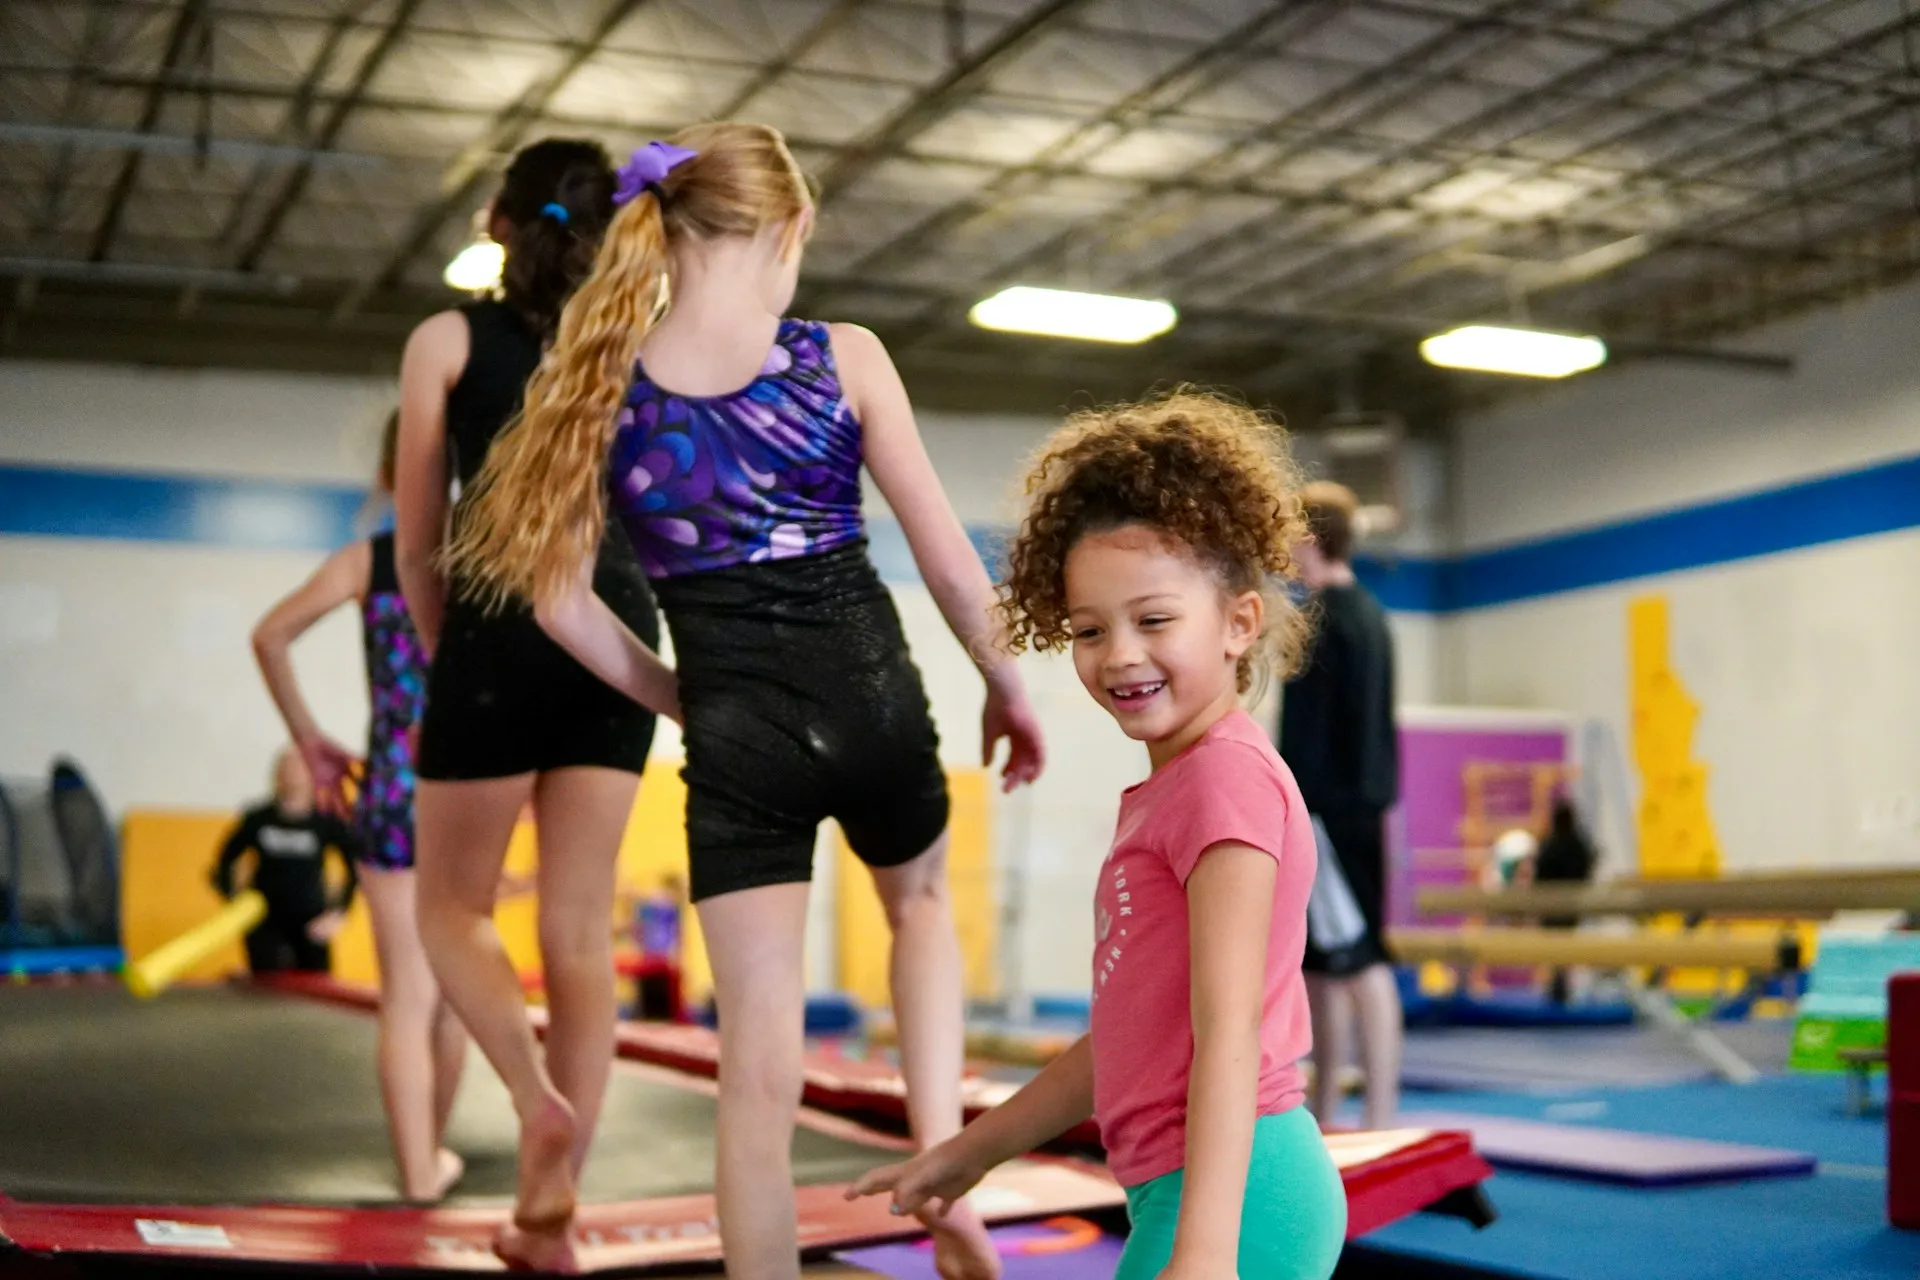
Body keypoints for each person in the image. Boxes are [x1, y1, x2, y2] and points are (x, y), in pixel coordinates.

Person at [442, 123, 1045, 1279]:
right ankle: (939, 1162)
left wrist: (684, 697)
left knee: (755, 1081)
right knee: (919, 909)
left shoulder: (603, 384)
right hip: (871, 696)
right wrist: (1006, 688)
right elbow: (951, 560)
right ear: (792, 227)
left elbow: (561, 603)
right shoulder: (842, 357)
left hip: (734, 736)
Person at [847, 392, 1346, 1280]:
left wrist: (1203, 1248)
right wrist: (968, 1154)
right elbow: (1128, 1037)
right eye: (1087, 630)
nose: (1119, 654)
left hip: (1237, 1196)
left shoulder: (1223, 781)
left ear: (1238, 623)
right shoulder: (1173, 788)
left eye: (1154, 621)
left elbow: (1228, 1033)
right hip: (1195, 1187)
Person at [391, 139, 663, 1264]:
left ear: (498, 222)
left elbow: (417, 540)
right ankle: (556, 1212)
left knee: (448, 910)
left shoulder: (445, 340)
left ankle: (529, 1093)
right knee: (578, 930)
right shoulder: (635, 350)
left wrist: (454, 652)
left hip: (499, 621)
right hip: (618, 631)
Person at [248, 413, 468, 1203]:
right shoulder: (484, 565)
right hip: (470, 792)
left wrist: (309, 739)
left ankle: (418, 1171)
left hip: (391, 793)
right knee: (457, 992)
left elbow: (270, 636)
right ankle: (433, 1152)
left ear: (385, 475)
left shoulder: (368, 562)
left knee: (407, 996)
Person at [1281, 479, 1403, 1131]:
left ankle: (1378, 1116)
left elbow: (1315, 735)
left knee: (1359, 960)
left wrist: (1297, 806)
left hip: (1331, 808)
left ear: (1311, 538)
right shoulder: (1371, 616)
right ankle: (1325, 1110)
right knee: (1324, 967)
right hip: (1352, 803)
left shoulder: (1327, 623)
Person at [211, 748, 360, 977]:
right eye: (286, 768)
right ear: (276, 774)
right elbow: (223, 863)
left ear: (311, 775)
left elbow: (355, 868)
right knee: (268, 989)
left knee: (317, 992)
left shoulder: (325, 820)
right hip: (264, 921)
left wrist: (338, 913)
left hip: (311, 922)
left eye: (299, 768)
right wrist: (235, 901)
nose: (292, 774)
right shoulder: (258, 818)